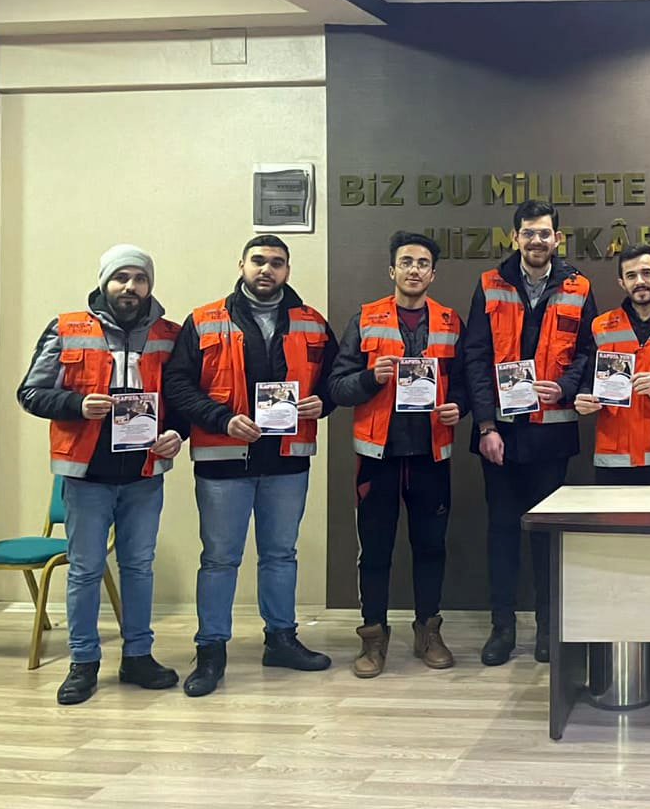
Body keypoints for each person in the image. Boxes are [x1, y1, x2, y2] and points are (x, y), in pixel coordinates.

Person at [164, 235, 339, 696]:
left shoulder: (312, 322)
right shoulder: (204, 320)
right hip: (222, 460)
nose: (267, 269)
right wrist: (221, 418)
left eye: (277, 263)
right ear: (241, 264)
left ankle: (281, 639)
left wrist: (324, 403)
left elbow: (336, 379)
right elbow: (177, 385)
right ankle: (210, 650)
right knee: (219, 559)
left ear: (287, 270)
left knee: (281, 554)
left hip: (287, 459)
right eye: (258, 261)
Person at [16, 244, 185, 705]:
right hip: (86, 475)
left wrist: (177, 432)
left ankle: (138, 656)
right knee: (86, 570)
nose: (130, 286)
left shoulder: (170, 334)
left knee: (139, 568)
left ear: (150, 285)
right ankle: (83, 662)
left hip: (144, 474)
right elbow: (29, 392)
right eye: (121, 277)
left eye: (139, 278)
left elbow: (182, 397)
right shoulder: (66, 328)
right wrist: (76, 404)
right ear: (104, 281)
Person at [328, 231, 468, 678]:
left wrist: (459, 406)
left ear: (433, 273)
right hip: (378, 456)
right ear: (392, 270)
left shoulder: (450, 321)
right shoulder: (365, 319)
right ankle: (373, 637)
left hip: (431, 454)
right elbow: (337, 387)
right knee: (374, 551)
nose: (414, 270)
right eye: (406, 262)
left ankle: (429, 631)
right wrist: (370, 377)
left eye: (422, 263)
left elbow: (466, 382)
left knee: (431, 547)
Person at [462, 201, 596, 667]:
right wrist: (485, 425)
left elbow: (589, 352)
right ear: (515, 237)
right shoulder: (489, 284)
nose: (536, 241)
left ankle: (547, 628)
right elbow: (476, 357)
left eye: (544, 233)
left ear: (557, 238)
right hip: (499, 435)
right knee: (501, 533)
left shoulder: (579, 287)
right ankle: (502, 628)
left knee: (547, 538)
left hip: (551, 436)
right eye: (528, 233)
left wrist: (565, 387)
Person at [574, 243, 650, 671]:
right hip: (615, 458)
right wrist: (582, 399)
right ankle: (625, 634)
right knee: (619, 556)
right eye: (631, 275)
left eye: (647, 273)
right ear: (621, 282)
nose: (640, 281)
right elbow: (585, 378)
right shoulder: (601, 325)